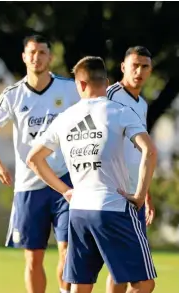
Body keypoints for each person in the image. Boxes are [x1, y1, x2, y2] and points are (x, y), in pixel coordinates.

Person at [26, 56, 157, 293]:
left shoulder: (65, 118)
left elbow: (33, 159)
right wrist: (140, 195)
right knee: (143, 283)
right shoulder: (120, 111)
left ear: (80, 84)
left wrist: (66, 191)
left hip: (79, 211)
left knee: (81, 284)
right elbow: (149, 150)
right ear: (106, 83)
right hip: (113, 208)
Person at [0, 34, 79, 293]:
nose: (37, 57)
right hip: (28, 186)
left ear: (50, 57)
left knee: (68, 251)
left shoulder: (70, 89)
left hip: (64, 182)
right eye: (32, 52)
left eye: (42, 52)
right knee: (33, 258)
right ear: (24, 57)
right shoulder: (13, 95)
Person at [105, 45, 156, 293]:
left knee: (121, 270)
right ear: (123, 67)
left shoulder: (142, 104)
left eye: (144, 66)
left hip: (134, 195)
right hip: (115, 193)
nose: (139, 71)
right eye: (134, 65)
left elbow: (139, 150)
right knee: (137, 276)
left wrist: (145, 190)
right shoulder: (110, 95)